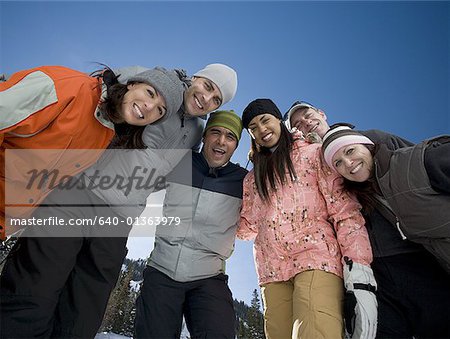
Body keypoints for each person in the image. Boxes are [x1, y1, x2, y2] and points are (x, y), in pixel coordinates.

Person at [0, 63, 238, 339]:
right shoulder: (158, 83)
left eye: (216, 99)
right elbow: (109, 91)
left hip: (121, 216)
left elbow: (183, 167)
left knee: (86, 305)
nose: (207, 99)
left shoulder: (197, 130)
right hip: (78, 191)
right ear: (196, 77)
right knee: (38, 283)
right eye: (208, 86)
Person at [285, 101, 450, 338]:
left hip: (412, 254)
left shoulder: (369, 139)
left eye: (308, 116)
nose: (305, 123)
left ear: (322, 114)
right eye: (297, 124)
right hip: (367, 269)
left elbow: (414, 171)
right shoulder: (306, 169)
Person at [238, 98, 375, 339]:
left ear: (279, 121)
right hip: (272, 271)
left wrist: (359, 266)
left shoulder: (313, 154)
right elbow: (246, 228)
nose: (261, 130)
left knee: (314, 332)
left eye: (265, 120)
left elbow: (344, 212)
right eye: (253, 128)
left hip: (316, 259)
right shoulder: (253, 179)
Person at [0, 65, 183, 240]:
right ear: (133, 84)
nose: (150, 107)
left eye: (160, 110)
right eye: (150, 93)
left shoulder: (106, 134)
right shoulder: (66, 87)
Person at [134, 110, 248, 338]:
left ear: (236, 146)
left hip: (208, 277)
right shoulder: (179, 162)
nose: (221, 141)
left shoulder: (244, 181)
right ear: (204, 136)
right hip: (162, 269)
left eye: (230, 136)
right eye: (215, 132)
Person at [322, 125, 450, 272]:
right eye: (338, 163)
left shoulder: (414, 162)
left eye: (350, 151)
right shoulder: (375, 197)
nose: (348, 163)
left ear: (368, 146)